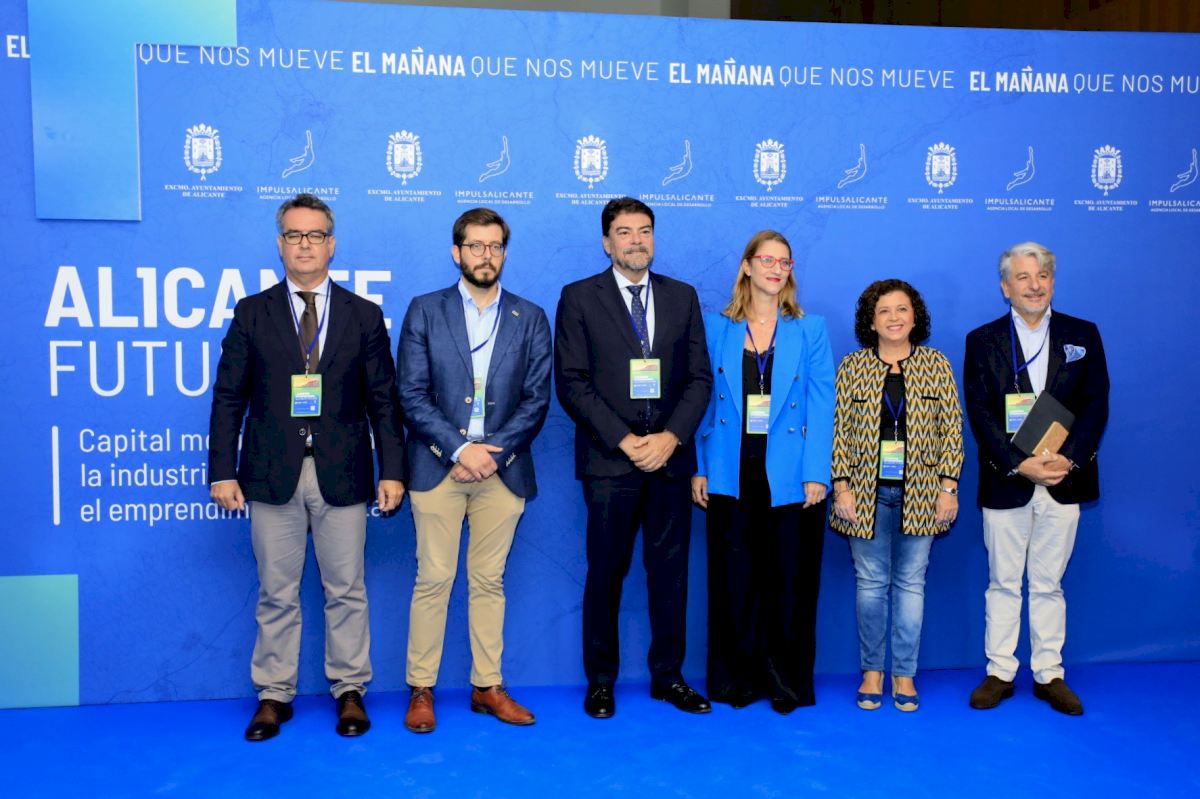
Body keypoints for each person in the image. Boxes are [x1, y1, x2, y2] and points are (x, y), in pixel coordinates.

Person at [208, 193, 407, 741]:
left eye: (315, 235)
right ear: (280, 244)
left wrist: (393, 470)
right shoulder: (253, 312)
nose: (304, 245)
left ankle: (350, 690)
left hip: (343, 472)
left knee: (347, 589)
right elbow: (229, 397)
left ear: (331, 244)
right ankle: (274, 694)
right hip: (271, 472)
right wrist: (222, 470)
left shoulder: (363, 315)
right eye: (294, 235)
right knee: (276, 591)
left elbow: (383, 401)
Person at [555, 197, 713, 718]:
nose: (636, 240)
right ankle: (601, 681)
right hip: (609, 461)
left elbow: (699, 379)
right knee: (606, 571)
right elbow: (572, 383)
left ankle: (669, 677)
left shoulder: (682, 296)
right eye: (624, 232)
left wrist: (671, 437)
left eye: (644, 230)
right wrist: (625, 440)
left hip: (669, 460)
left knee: (670, 574)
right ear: (607, 242)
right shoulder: (579, 297)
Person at [396, 207, 551, 732]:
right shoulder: (425, 310)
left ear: (504, 252)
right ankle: (421, 688)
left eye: (495, 246)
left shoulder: (530, 317)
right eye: (476, 246)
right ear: (456, 252)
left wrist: (493, 453)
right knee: (434, 579)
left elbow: (536, 400)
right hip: (437, 467)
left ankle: (487, 686)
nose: (486, 255)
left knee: (489, 581)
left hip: (503, 471)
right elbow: (411, 394)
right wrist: (461, 450)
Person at [691, 230, 834, 714]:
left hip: (792, 475)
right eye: (767, 260)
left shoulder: (809, 329)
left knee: (790, 583)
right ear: (747, 266)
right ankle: (736, 681)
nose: (775, 269)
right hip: (729, 470)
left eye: (784, 262)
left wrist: (817, 472)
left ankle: (786, 684)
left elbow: (822, 403)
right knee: (733, 581)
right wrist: (700, 466)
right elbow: (702, 399)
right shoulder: (717, 327)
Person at [964, 242, 1109, 716]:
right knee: (1003, 582)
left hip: (1064, 479)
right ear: (1005, 287)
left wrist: (1070, 459)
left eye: (1043, 275)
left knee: (1049, 583)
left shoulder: (1082, 334)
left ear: (1052, 282)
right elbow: (980, 411)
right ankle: (1000, 672)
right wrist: (1017, 462)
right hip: (1008, 479)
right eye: (1023, 277)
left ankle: (1049, 674)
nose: (1034, 285)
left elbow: (1096, 404)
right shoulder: (982, 340)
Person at [829, 279, 963, 712]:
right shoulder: (852, 366)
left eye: (902, 309)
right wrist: (842, 487)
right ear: (871, 321)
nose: (894, 317)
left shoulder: (936, 364)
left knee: (910, 584)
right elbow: (838, 431)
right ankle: (872, 672)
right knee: (870, 584)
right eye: (884, 310)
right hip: (863, 493)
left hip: (923, 492)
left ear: (914, 316)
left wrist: (948, 488)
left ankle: (904, 674)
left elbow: (952, 430)